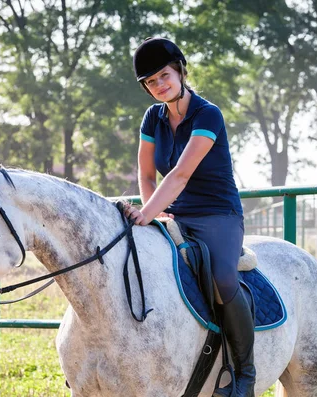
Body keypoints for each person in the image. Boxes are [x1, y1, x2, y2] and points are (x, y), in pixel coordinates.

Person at [124, 37, 255, 397]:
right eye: (150, 82)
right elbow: (147, 175)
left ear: (180, 69)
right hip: (173, 211)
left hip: (218, 213)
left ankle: (245, 372)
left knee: (223, 277)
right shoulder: (153, 118)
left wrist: (145, 215)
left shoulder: (207, 114)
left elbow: (180, 174)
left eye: (164, 75)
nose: (159, 85)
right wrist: (156, 212)